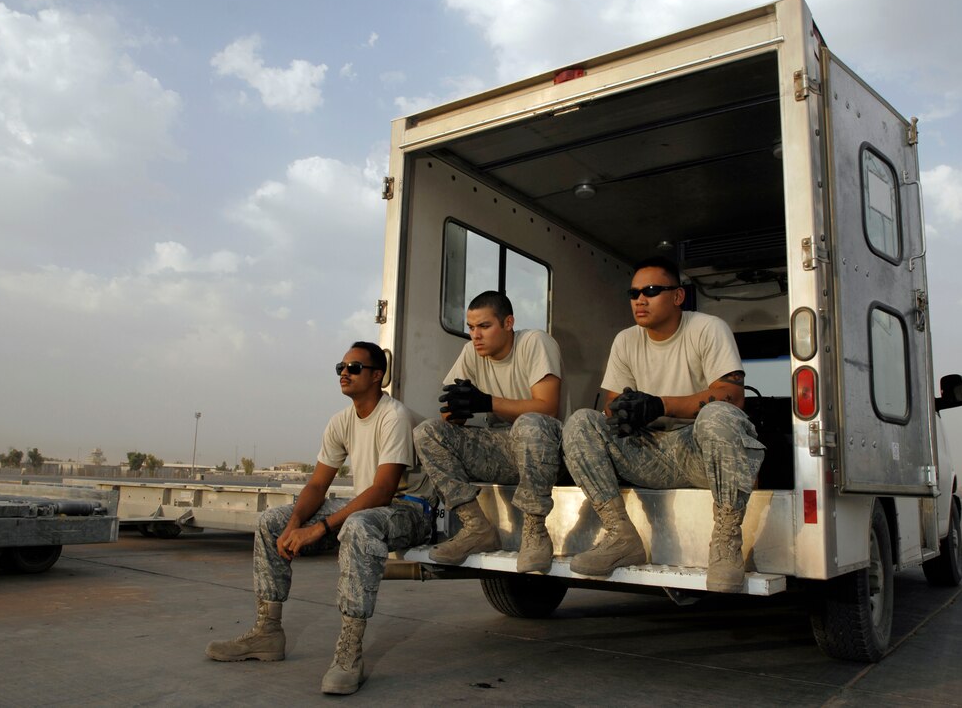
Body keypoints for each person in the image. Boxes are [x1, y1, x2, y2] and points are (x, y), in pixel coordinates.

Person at [205, 341, 435, 696]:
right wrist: (297, 522)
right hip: (370, 505)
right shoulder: (340, 421)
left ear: (377, 376)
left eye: (354, 367)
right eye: (340, 367)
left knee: (358, 526)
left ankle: (350, 654)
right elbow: (316, 484)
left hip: (411, 510)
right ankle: (267, 632)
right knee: (272, 521)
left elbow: (383, 490)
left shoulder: (394, 416)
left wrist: (322, 528)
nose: (344, 373)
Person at [561, 256, 764, 592]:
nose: (640, 300)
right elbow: (612, 408)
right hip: (649, 451)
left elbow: (732, 396)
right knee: (582, 421)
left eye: (652, 290)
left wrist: (659, 404)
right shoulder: (625, 340)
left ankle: (727, 542)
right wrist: (627, 412)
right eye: (634, 292)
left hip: (697, 453)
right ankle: (619, 536)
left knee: (719, 415)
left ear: (677, 296)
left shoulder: (708, 328)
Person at [413, 291, 563, 573]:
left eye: (484, 326)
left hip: (546, 450)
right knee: (427, 431)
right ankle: (475, 527)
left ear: (508, 323)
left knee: (529, 424)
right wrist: (457, 409)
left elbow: (548, 408)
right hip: (502, 450)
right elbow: (449, 413)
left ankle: (535, 532)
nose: (475, 336)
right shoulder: (472, 352)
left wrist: (486, 402)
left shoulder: (534, 342)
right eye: (471, 327)